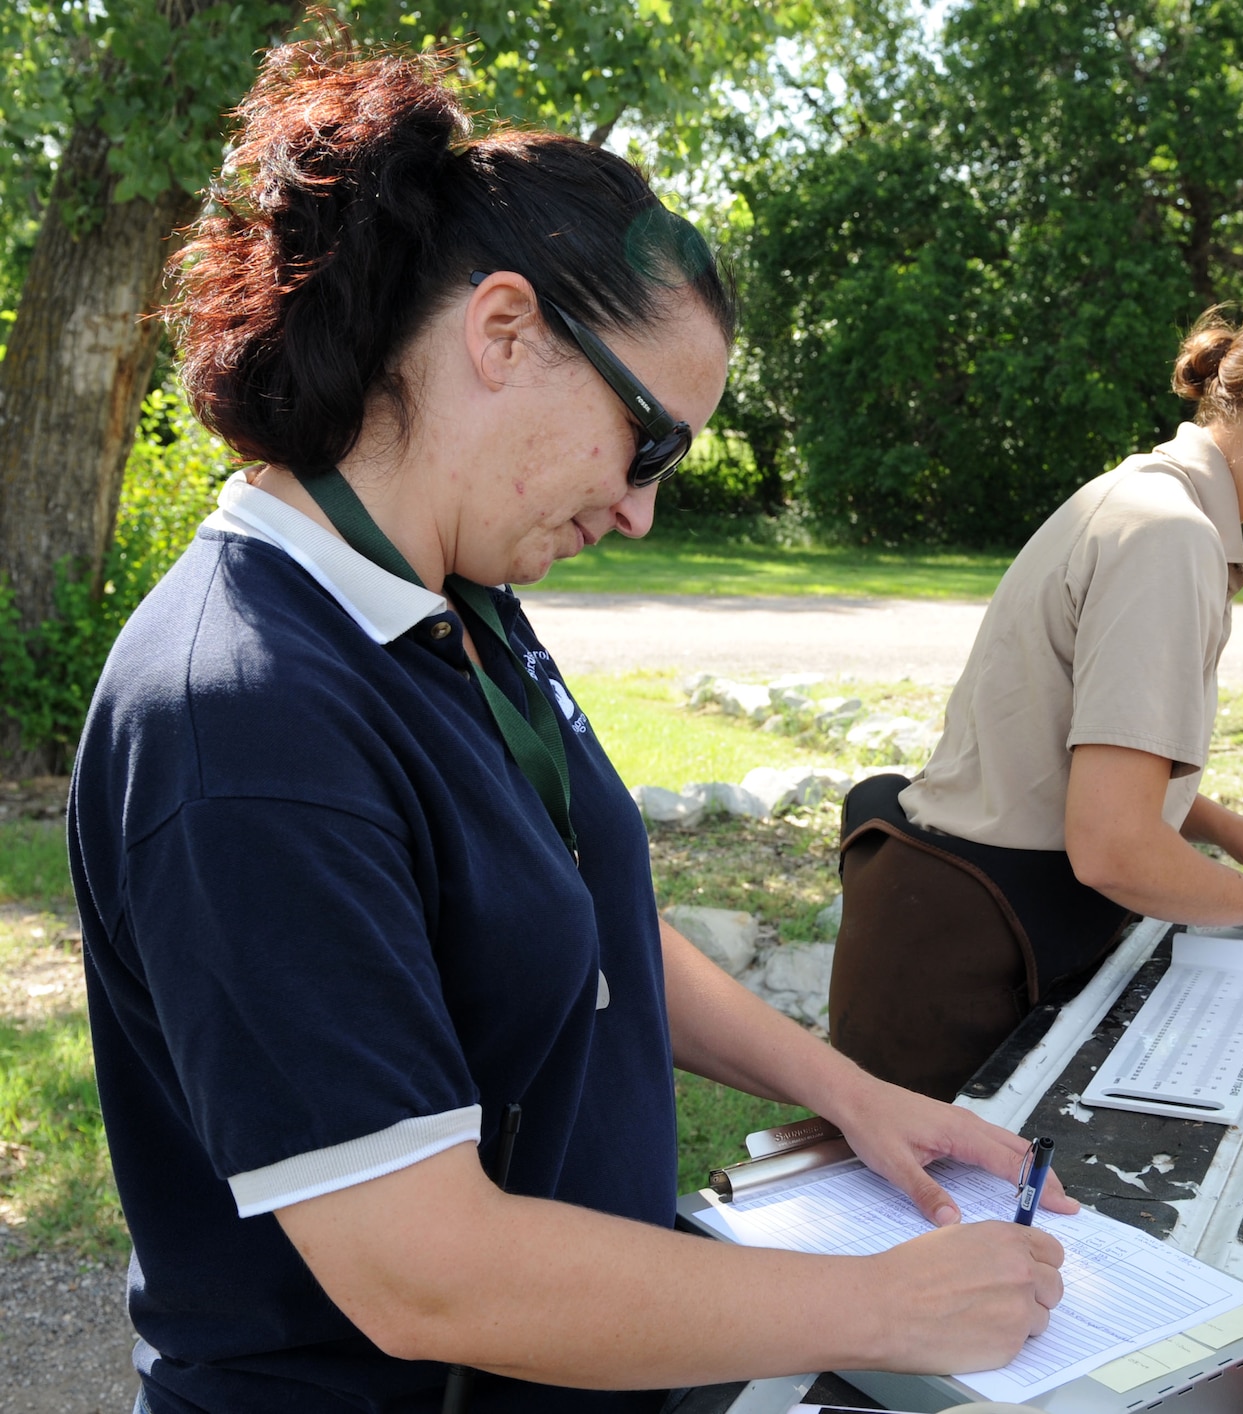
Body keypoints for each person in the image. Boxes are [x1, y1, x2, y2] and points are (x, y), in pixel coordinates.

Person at [70, 44, 1069, 1414]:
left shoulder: (452, 596)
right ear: (502, 333)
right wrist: (880, 1306)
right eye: (647, 437)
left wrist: (849, 1090)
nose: (643, 507)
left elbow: (583, 908)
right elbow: (424, 1272)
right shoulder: (243, 720)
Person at [830, 288, 1243, 1099]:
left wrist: (1228, 830)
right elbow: (1113, 843)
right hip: (966, 969)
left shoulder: (1155, 504)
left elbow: (1089, 750)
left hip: (968, 933)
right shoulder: (1170, 537)